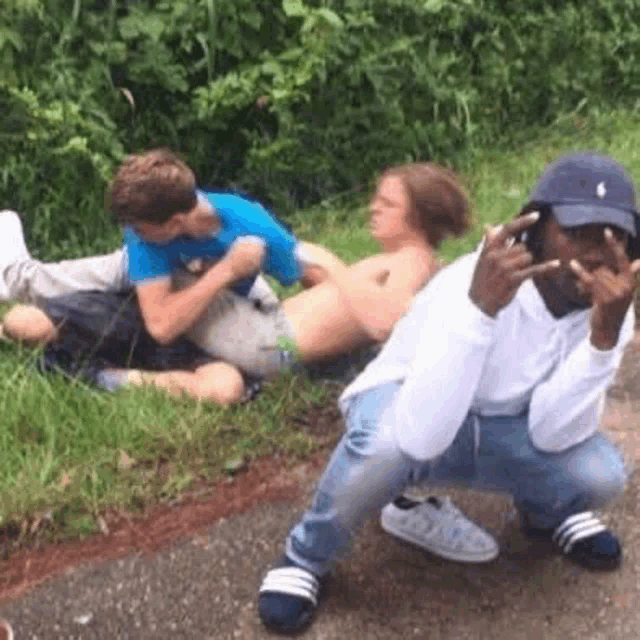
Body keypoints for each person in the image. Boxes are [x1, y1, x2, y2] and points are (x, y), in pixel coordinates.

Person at [1, 160, 502, 567]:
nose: (373, 207)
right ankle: (24, 278)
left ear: (418, 216)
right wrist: (322, 276)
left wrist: (328, 263)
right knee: (134, 267)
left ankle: (19, 274)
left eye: (387, 202)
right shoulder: (399, 260)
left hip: (266, 342)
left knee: (146, 271)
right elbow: (335, 305)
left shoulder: (412, 260)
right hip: (265, 328)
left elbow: (387, 322)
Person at [256, 152, 639, 635]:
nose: (598, 255)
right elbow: (420, 435)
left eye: (614, 237)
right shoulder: (472, 282)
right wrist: (479, 313)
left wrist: (602, 342)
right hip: (409, 404)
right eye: (579, 233)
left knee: (599, 474)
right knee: (386, 448)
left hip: (509, 422)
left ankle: (545, 512)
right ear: (537, 232)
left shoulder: (612, 308)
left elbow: (550, 432)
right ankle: (305, 556)